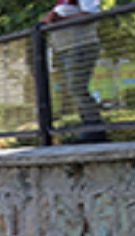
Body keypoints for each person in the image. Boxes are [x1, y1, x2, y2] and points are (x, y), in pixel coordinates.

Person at [43, 0, 105, 143]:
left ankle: (95, 128)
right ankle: (89, 126)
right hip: (65, 48)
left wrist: (61, 20)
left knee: (76, 86)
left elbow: (91, 15)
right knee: (73, 88)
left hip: (81, 45)